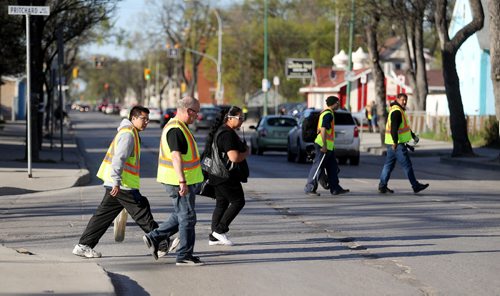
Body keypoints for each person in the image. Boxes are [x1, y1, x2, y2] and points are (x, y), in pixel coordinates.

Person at [73, 106, 169, 258]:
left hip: (117, 183)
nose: (146, 122)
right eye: (143, 119)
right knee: (141, 210)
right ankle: (161, 243)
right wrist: (116, 181)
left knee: (103, 216)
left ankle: (83, 245)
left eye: (147, 119)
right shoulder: (128, 135)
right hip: (121, 185)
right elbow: (119, 159)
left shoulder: (131, 132)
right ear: (133, 118)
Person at [142, 96, 205, 266]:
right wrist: (182, 182)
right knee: (188, 217)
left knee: (180, 215)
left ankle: (153, 237)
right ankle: (184, 256)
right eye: (196, 113)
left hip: (180, 181)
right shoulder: (175, 129)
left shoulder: (179, 127)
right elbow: (176, 157)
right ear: (188, 110)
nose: (197, 117)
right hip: (178, 182)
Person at [204, 106, 249, 246]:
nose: (242, 121)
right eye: (240, 118)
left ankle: (214, 237)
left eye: (243, 118)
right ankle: (219, 230)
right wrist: (247, 152)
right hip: (225, 176)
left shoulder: (223, 131)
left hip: (216, 175)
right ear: (230, 118)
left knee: (221, 203)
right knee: (238, 201)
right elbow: (234, 157)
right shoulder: (227, 134)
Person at [378, 93, 429, 194]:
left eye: (406, 99)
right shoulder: (397, 111)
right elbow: (394, 128)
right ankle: (415, 186)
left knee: (388, 165)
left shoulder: (398, 110)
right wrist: (395, 142)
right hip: (397, 144)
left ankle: (382, 186)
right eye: (402, 99)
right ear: (397, 99)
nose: (404, 102)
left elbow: (402, 127)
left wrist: (413, 136)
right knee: (407, 165)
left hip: (392, 144)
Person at [304, 96, 349, 196]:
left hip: (329, 147)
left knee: (333, 167)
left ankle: (335, 188)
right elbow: (323, 129)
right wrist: (324, 145)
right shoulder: (328, 114)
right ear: (335, 103)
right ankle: (310, 188)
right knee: (317, 167)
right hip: (322, 145)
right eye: (338, 103)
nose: (339, 104)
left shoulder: (328, 112)